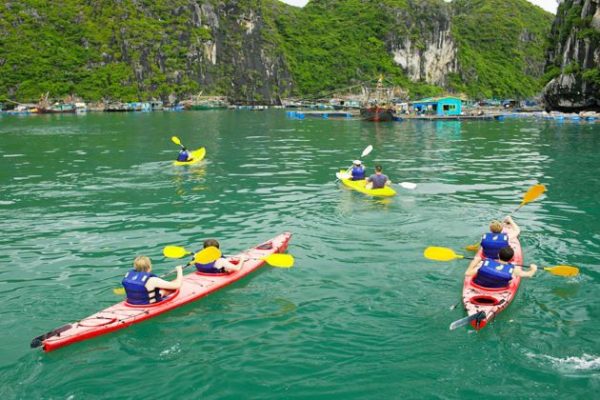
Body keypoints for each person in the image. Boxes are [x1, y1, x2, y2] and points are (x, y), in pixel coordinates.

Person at [465, 246, 537, 288]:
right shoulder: (514, 270)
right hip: (500, 288)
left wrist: (475, 261)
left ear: (498, 255)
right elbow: (529, 274)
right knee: (514, 276)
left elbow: (467, 273)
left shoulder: (484, 263)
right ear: (511, 258)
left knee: (479, 267)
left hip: (480, 285)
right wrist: (533, 269)